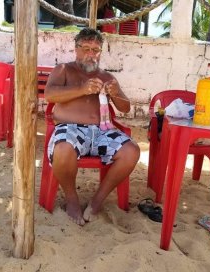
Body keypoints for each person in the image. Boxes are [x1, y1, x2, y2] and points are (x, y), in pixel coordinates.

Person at [45, 28, 140, 226]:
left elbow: (125, 107)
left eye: (95, 50)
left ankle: (97, 201)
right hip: (69, 128)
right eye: (86, 48)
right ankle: (72, 200)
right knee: (63, 149)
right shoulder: (64, 69)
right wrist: (82, 89)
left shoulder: (107, 77)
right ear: (76, 49)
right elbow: (50, 95)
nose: (91, 54)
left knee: (131, 151)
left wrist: (115, 93)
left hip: (102, 132)